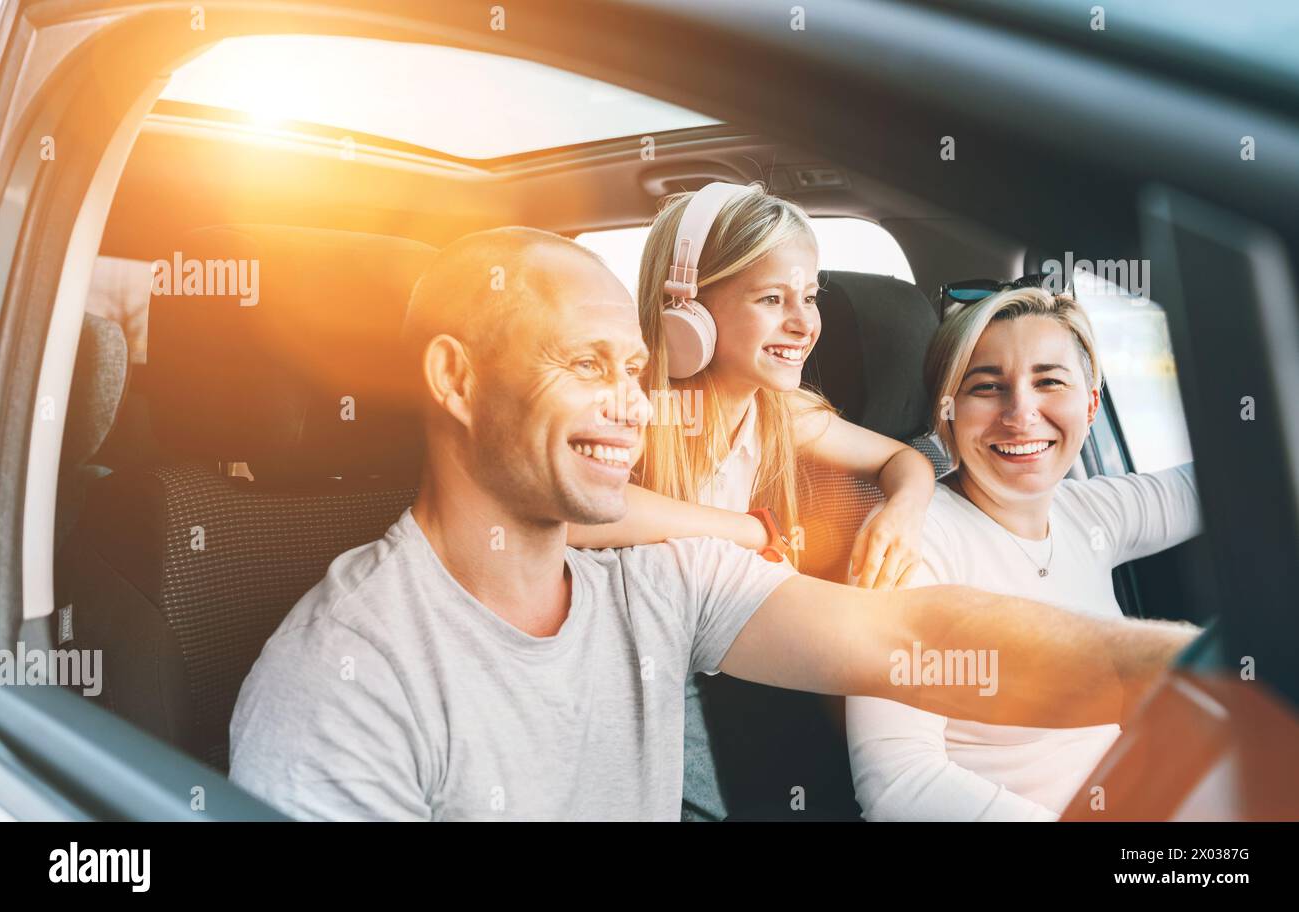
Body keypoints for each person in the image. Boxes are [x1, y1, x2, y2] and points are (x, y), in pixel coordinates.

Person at [228, 229, 1197, 821]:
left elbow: (916, 638)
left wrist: (1198, 678)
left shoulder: (662, 581)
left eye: (634, 370)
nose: (637, 407)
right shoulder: (343, 677)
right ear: (453, 379)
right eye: (585, 367)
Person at [566, 182, 935, 819]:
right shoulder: (642, 407)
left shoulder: (777, 412)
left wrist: (900, 508)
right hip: (620, 676)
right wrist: (743, 531)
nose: (804, 322)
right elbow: (574, 516)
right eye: (772, 299)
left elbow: (902, 460)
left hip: (713, 662)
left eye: (810, 297)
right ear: (688, 309)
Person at [845, 283, 1201, 821]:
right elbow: (896, 784)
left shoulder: (1087, 513)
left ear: (1091, 403)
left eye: (1049, 381)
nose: (1021, 413)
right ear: (947, 412)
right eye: (986, 388)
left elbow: (1220, 486)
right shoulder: (914, 542)